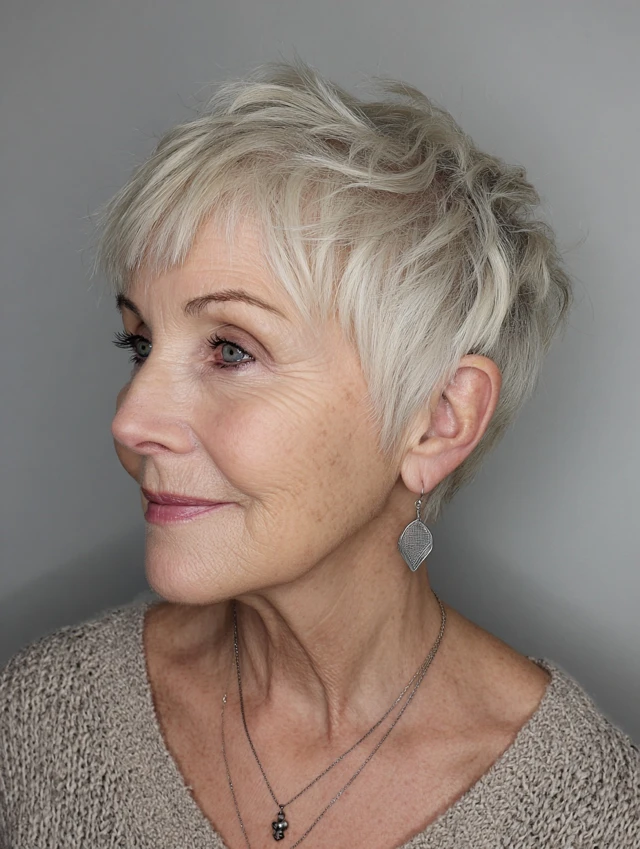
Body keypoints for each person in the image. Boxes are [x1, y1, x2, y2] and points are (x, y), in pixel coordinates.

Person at [1, 58, 638, 849]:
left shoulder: (591, 821)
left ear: (438, 420)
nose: (131, 421)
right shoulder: (43, 720)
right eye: (140, 343)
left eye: (230, 350)